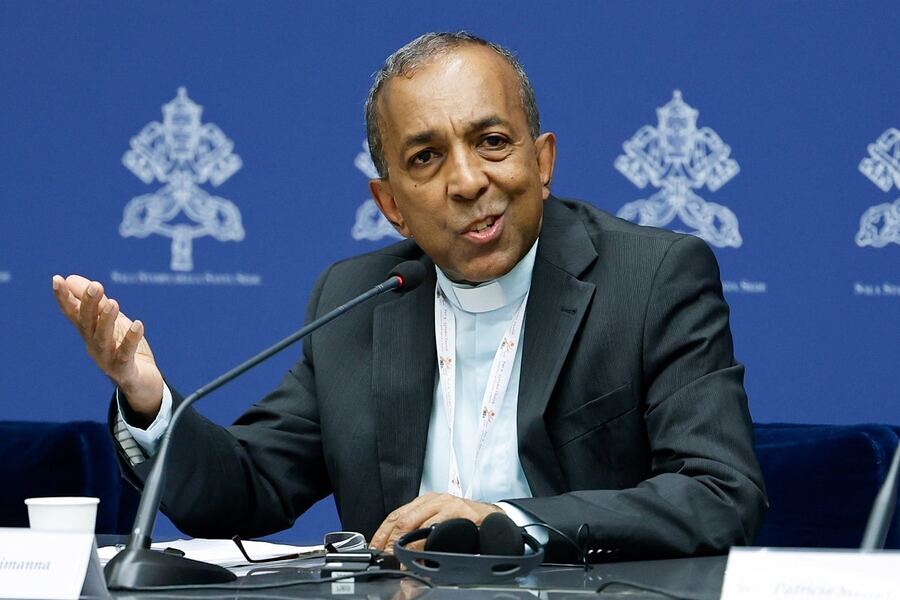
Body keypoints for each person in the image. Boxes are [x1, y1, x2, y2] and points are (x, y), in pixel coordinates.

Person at [52, 32, 766, 562]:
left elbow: (719, 495)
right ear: (390, 204)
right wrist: (148, 398)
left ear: (541, 161)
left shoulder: (651, 279)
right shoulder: (360, 298)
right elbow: (247, 487)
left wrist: (509, 520)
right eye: (426, 158)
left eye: (491, 141)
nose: (466, 182)